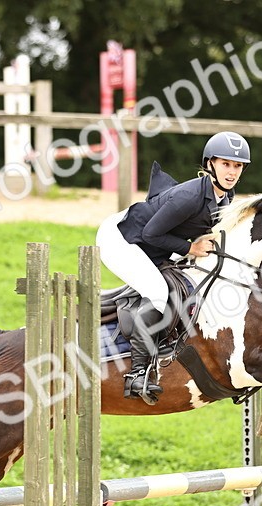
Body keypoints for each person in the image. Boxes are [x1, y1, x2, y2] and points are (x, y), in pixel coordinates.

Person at [96, 131, 250, 404]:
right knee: (157, 292)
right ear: (210, 164)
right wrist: (191, 248)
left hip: (153, 244)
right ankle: (138, 373)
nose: (232, 171)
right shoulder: (189, 196)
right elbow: (151, 234)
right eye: (225, 164)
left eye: (237, 166)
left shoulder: (225, 197)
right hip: (122, 239)